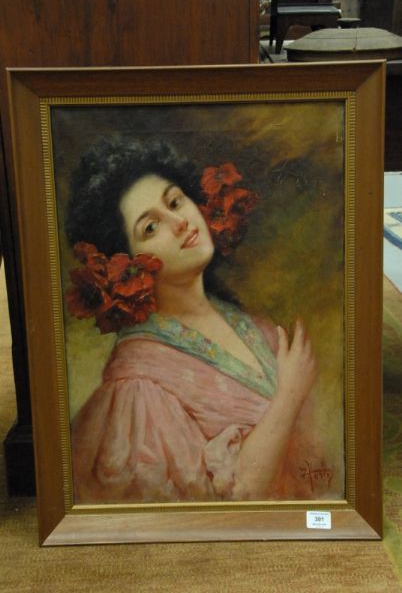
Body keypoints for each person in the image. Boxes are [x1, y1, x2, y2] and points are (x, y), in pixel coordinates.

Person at [66, 137, 332, 504]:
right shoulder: (139, 386)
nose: (179, 223)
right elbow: (221, 506)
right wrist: (288, 396)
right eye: (150, 227)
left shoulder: (257, 328)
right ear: (126, 265)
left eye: (175, 202)